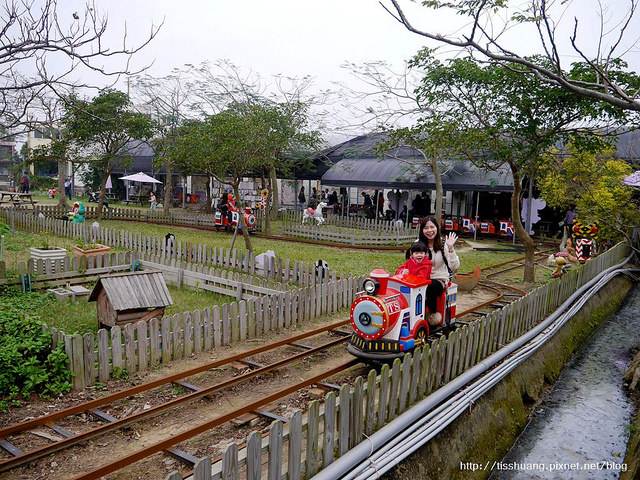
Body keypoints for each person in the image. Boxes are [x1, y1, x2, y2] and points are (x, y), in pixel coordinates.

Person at [417, 216, 460, 325]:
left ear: (437, 228)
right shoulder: (418, 243)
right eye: (426, 228)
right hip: (420, 279)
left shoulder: (443, 245)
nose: (429, 231)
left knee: (430, 287)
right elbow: (410, 261)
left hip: (438, 280)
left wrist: (450, 248)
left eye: (432, 227)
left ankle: (431, 316)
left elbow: (454, 266)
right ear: (422, 230)